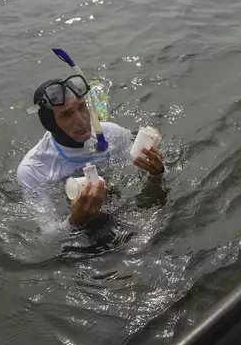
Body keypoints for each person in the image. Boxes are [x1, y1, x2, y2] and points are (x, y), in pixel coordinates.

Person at [17, 75, 165, 234]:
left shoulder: (111, 133)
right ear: (50, 124)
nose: (81, 120)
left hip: (120, 208)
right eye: (66, 115)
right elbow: (49, 236)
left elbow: (136, 174)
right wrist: (74, 220)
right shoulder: (33, 169)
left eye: (81, 107)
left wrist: (156, 173)